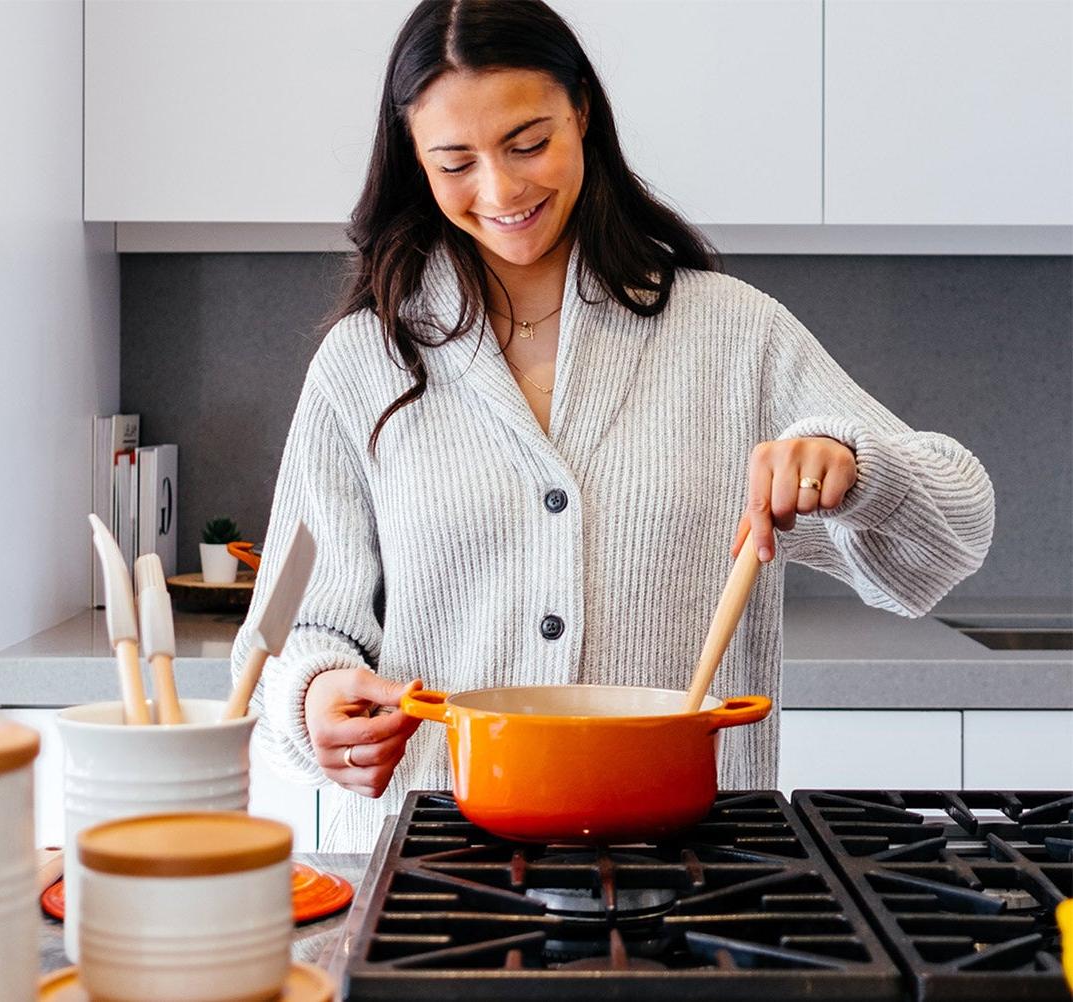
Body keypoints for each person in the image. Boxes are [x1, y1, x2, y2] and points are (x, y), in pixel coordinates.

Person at [228, 0, 994, 852]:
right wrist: (319, 697)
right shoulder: (364, 360)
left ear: (581, 111)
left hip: (700, 864)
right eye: (455, 162)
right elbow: (295, 630)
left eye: (527, 143)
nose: (501, 190)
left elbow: (954, 533)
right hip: (438, 863)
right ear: (414, 161)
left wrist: (854, 467)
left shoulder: (732, 334)